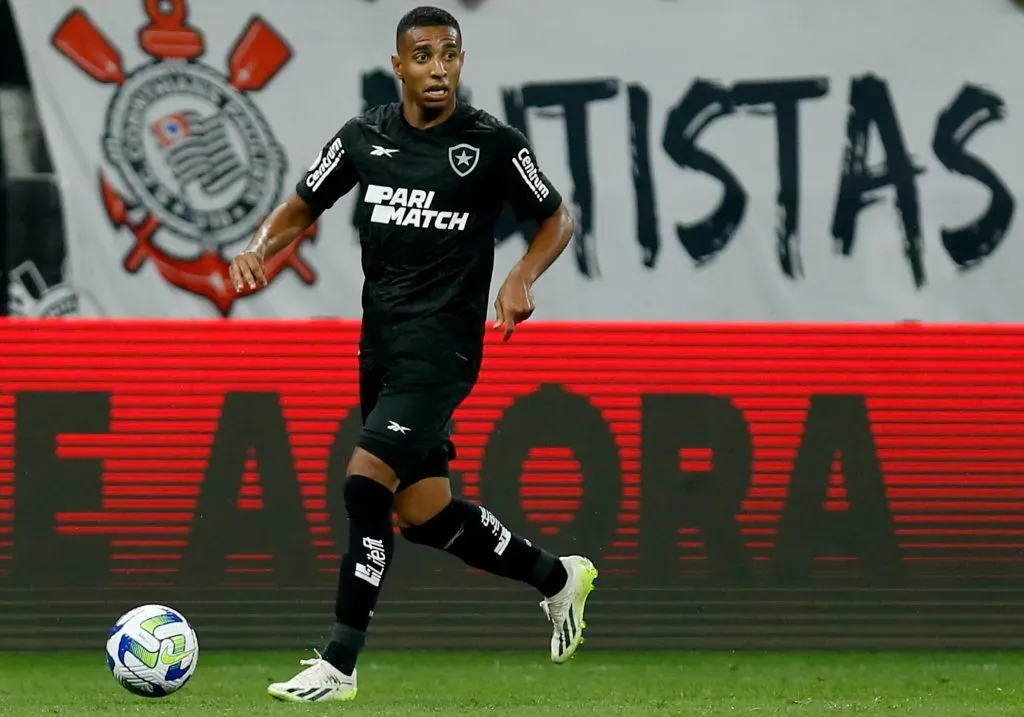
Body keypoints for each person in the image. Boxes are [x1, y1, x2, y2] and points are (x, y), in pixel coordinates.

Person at [229, 5, 597, 704]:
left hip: (443, 349)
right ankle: (558, 578)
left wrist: (521, 276)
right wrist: (259, 248)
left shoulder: (492, 144)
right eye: (423, 56)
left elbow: (556, 217)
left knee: (365, 484)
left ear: (462, 61)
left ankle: (339, 664)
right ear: (398, 65)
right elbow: (304, 203)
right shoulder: (365, 137)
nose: (438, 68)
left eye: (449, 54)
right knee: (425, 514)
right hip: (381, 349)